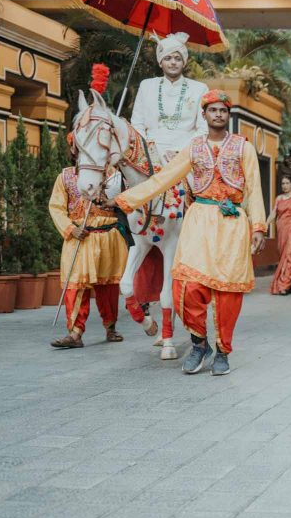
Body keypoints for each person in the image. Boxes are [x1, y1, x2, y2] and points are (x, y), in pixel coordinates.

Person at [113, 90, 267, 376]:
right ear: (205, 115)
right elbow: (164, 177)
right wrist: (128, 199)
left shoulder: (244, 148)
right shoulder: (193, 148)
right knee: (186, 286)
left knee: (227, 291)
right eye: (212, 110)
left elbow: (254, 188)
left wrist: (258, 226)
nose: (218, 115)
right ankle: (199, 343)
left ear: (228, 115)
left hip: (232, 224)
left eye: (223, 110)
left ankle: (223, 350)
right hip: (198, 220)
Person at [48, 148, 128, 348]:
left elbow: (126, 202)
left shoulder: (114, 175)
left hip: (108, 236)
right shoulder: (65, 176)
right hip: (79, 237)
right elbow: (56, 207)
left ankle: (110, 327)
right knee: (76, 285)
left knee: (108, 285)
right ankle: (75, 332)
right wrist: (70, 229)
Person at [130, 32, 208, 166]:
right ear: (160, 62)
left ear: (184, 63)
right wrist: (148, 150)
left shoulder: (199, 89)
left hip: (186, 155)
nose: (173, 62)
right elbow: (137, 124)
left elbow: (203, 128)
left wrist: (180, 152)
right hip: (149, 154)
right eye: (168, 58)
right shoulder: (147, 85)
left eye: (178, 58)